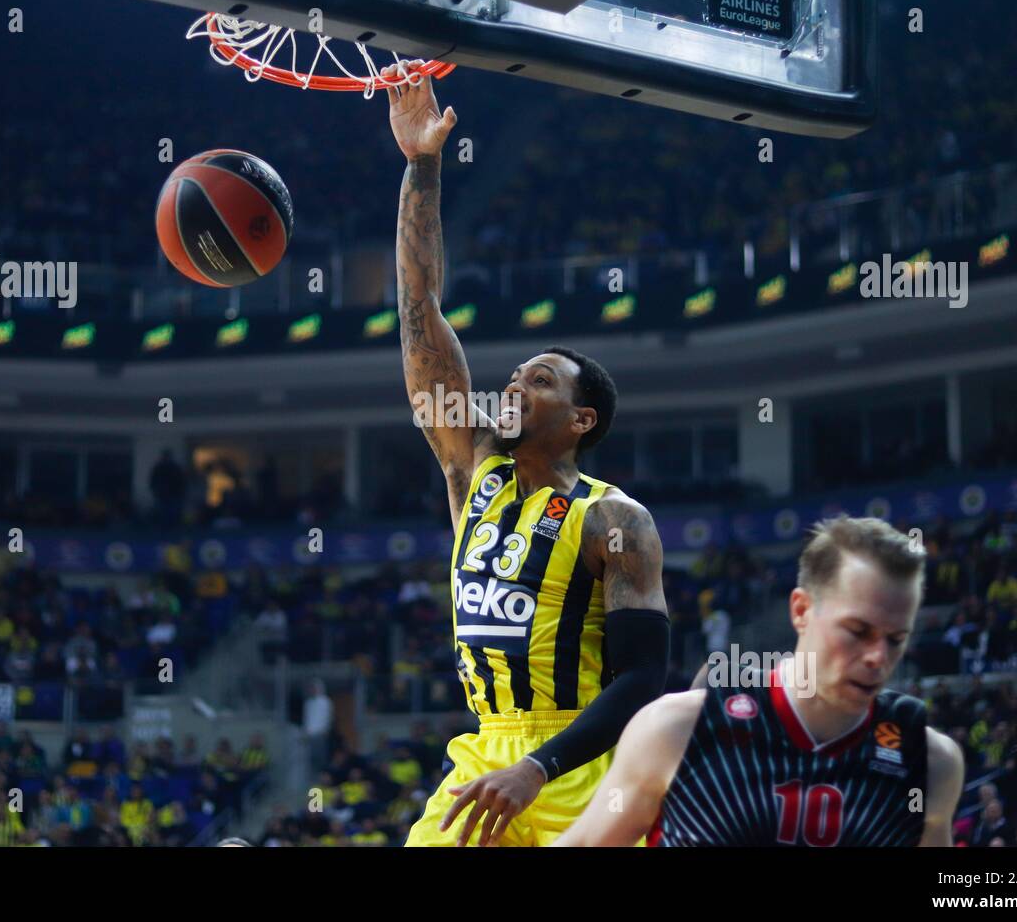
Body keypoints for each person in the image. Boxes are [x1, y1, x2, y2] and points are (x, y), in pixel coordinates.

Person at [383, 61, 668, 847]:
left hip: (581, 760)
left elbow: (646, 680)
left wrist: (538, 767)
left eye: (537, 380)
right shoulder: (470, 464)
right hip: (484, 744)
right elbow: (419, 306)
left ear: (580, 419)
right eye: (513, 373)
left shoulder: (615, 517)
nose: (512, 383)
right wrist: (421, 166)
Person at [556, 516, 963, 846]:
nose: (878, 657)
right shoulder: (676, 729)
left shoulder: (930, 762)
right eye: (857, 631)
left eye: (896, 639)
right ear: (801, 610)